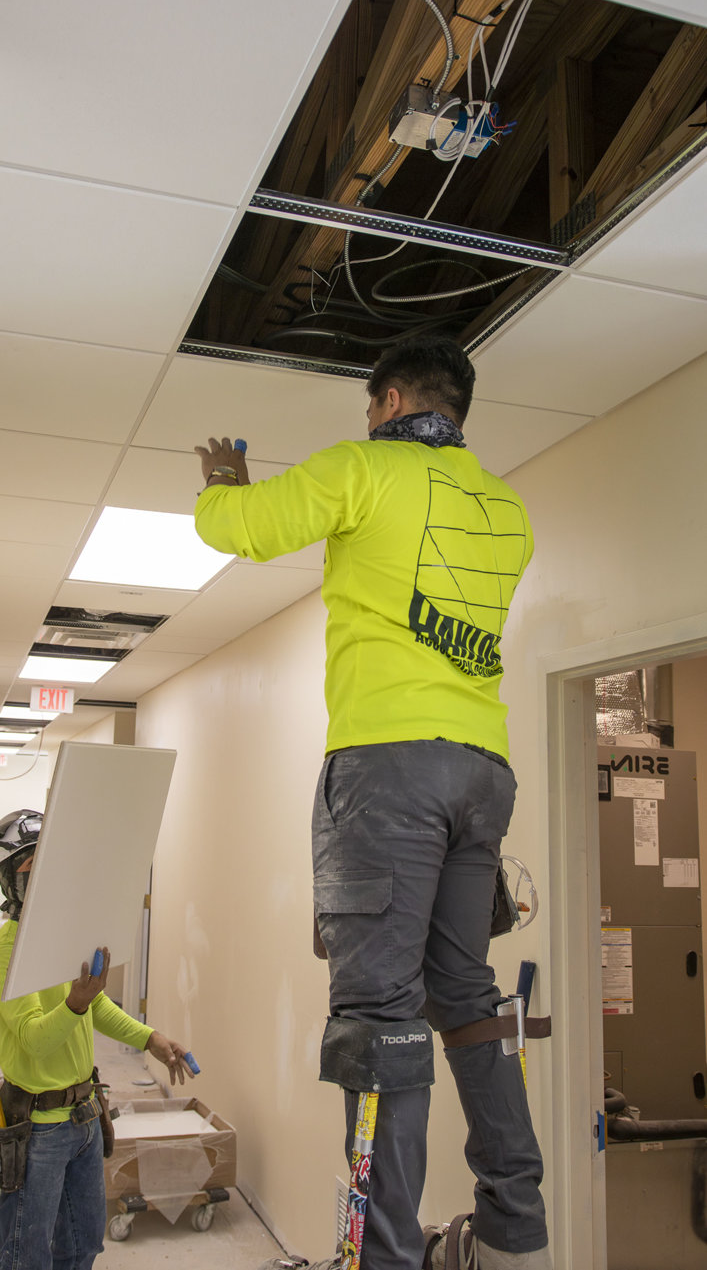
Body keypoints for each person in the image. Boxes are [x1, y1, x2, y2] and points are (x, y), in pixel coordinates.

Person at [193, 337, 550, 1270]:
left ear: (388, 400)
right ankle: (516, 1224)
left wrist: (226, 481)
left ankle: (379, 1255)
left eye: (368, 408)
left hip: (390, 769)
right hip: (483, 770)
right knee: (464, 994)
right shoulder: (507, 507)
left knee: (378, 1012)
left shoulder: (366, 465)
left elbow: (241, 530)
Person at [0, 808, 193, 1270]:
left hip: (85, 1119)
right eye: (30, 867)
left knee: (82, 1247)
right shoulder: (4, 954)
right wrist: (75, 1003)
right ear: (5, 877)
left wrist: (149, 1037)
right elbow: (37, 1038)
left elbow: (93, 1004)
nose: (44, 878)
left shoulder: (62, 936)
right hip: (38, 1129)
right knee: (25, 1256)